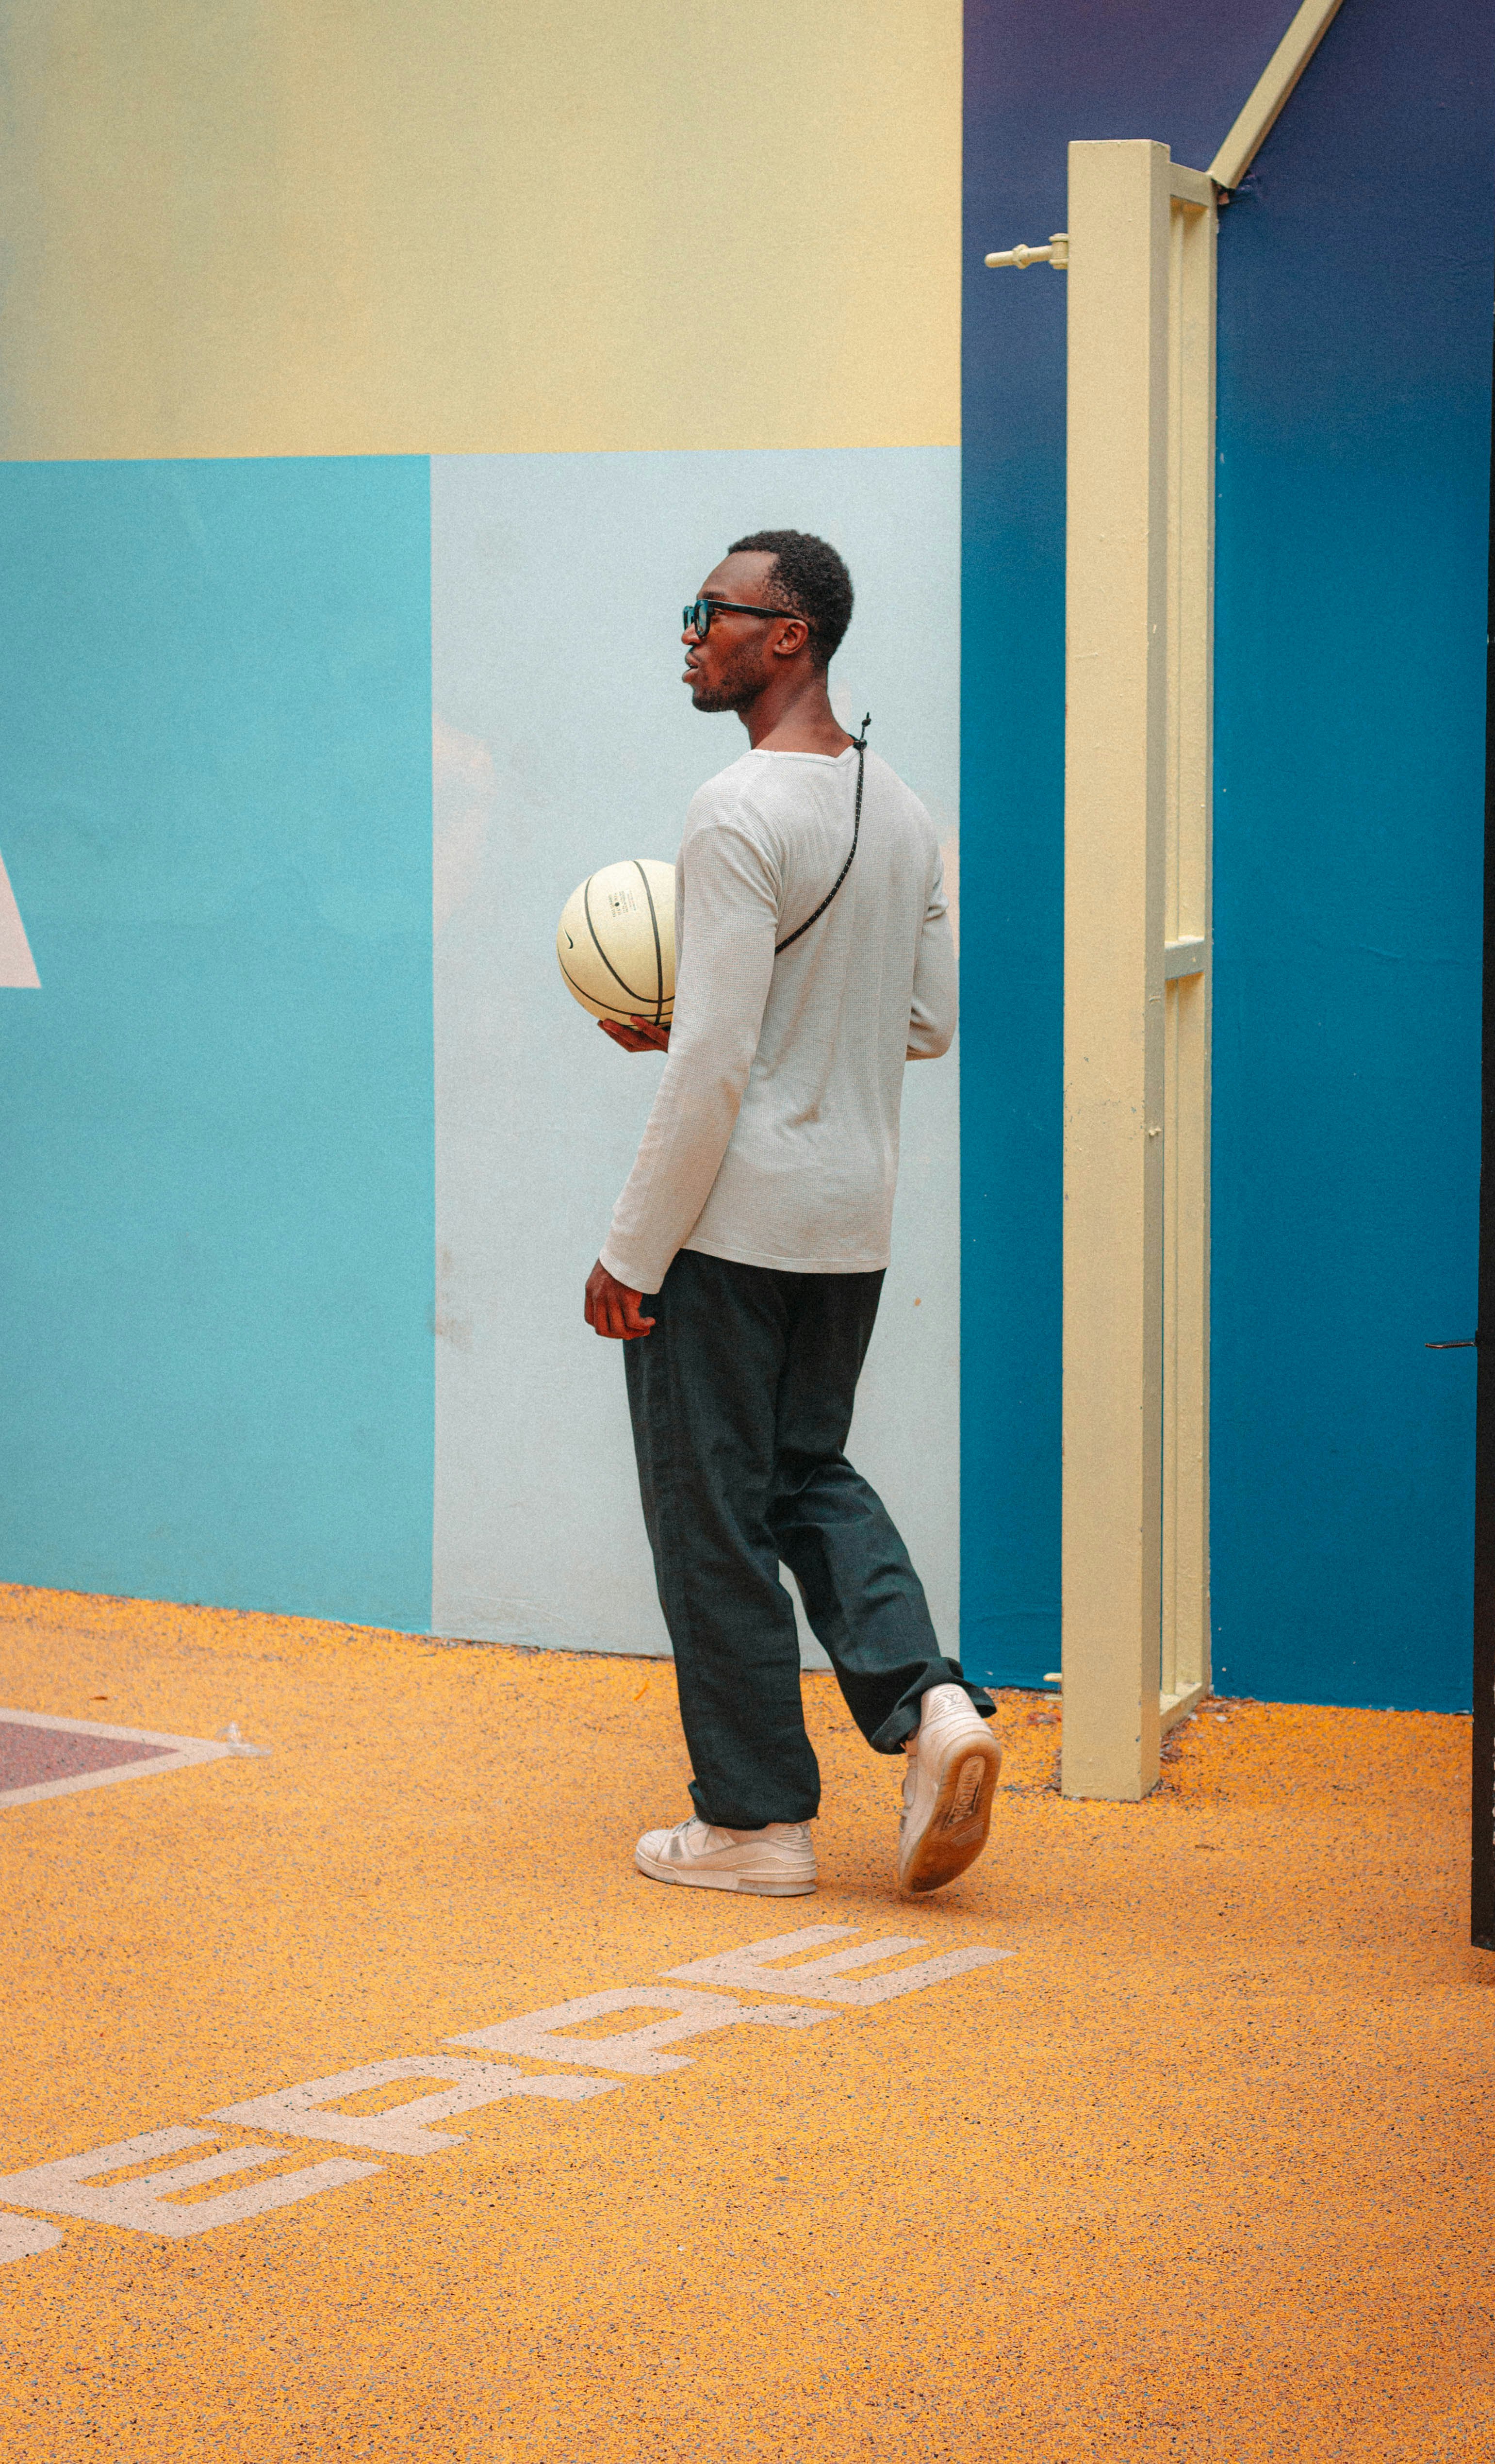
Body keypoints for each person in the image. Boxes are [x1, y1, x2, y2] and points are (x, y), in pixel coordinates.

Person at [583, 529, 1000, 1898]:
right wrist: (785, 1039)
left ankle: (755, 1825)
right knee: (805, 1473)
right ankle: (935, 1705)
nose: (691, 630)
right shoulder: (905, 807)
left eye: (716, 610)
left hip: (728, 1225)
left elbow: (710, 1066)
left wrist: (627, 1251)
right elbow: (928, 1023)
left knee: (710, 1513)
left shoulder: (733, 807)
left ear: (791, 638)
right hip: (848, 1218)